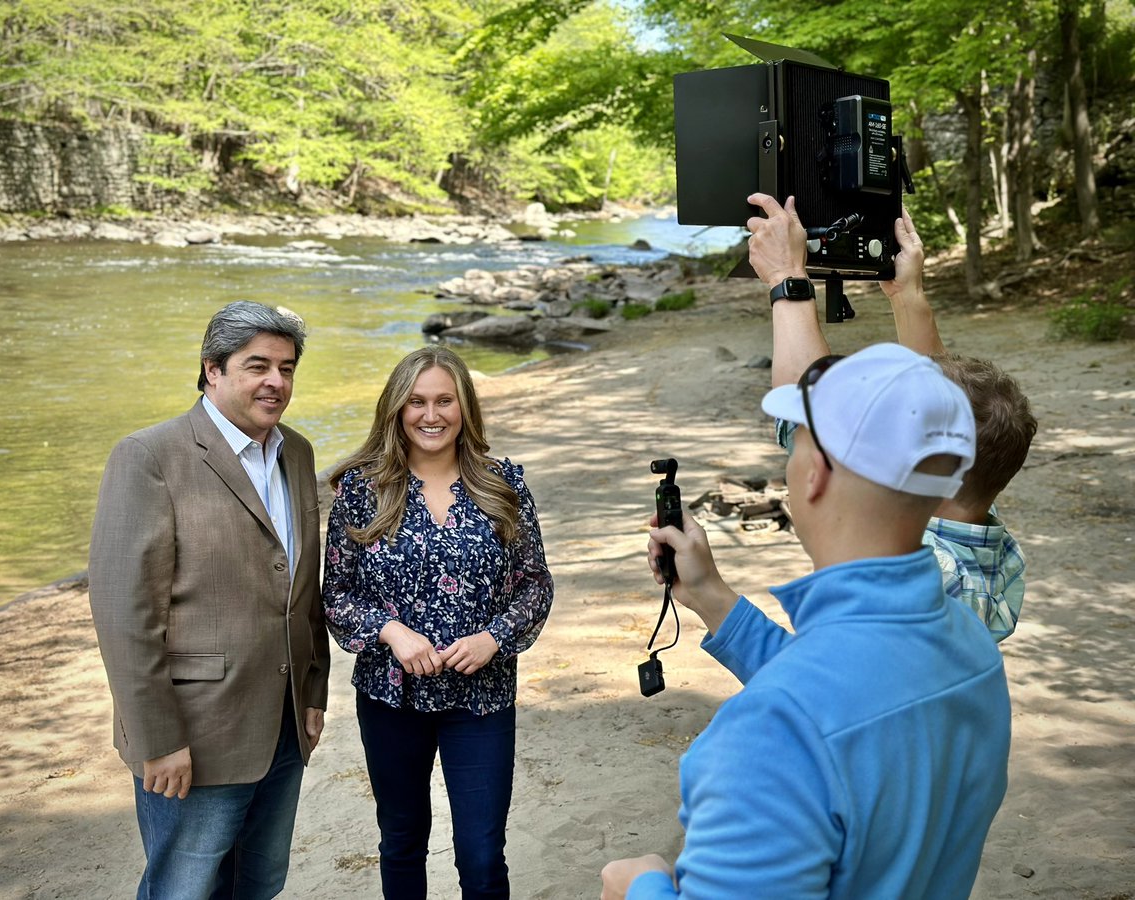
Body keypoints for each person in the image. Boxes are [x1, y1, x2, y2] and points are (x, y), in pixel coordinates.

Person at [602, 342, 1011, 898]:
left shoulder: (770, 731)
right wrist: (709, 594)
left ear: (815, 473)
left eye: (792, 444)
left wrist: (640, 885)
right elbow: (851, 692)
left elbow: (814, 712)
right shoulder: (971, 644)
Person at [89, 301, 330, 899]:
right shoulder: (150, 456)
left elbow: (302, 588)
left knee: (259, 883)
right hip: (193, 735)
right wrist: (157, 739)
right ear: (212, 370)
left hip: (282, 723)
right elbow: (126, 616)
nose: (275, 381)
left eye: (286, 367)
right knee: (183, 889)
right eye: (257, 366)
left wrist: (313, 691)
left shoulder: (296, 452)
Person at [746, 193, 1037, 648]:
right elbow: (939, 408)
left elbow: (808, 410)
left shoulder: (914, 578)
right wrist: (909, 297)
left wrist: (787, 278)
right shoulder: (972, 523)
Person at [322, 346, 554, 899]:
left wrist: (494, 637)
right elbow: (335, 592)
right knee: (402, 841)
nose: (432, 415)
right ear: (397, 410)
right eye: (417, 401)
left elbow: (535, 584)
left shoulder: (503, 486)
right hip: (389, 699)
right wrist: (390, 631)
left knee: (481, 854)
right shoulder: (361, 490)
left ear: (464, 407)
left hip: (482, 701)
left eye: (444, 400)